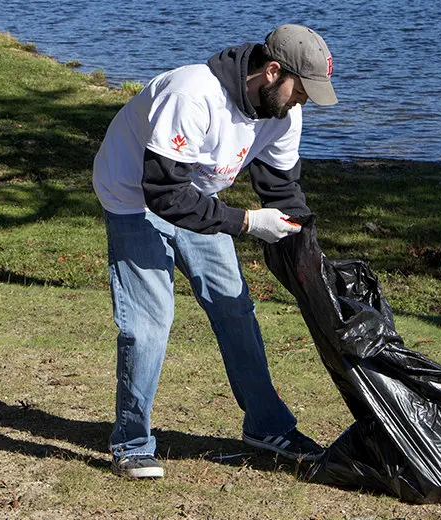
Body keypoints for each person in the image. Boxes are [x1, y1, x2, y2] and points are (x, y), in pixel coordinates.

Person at [92, 24, 338, 479]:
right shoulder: (193, 94)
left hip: (198, 197)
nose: (303, 101)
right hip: (132, 196)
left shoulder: (283, 114)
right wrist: (246, 222)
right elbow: (163, 193)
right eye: (301, 90)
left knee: (234, 307)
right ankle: (131, 442)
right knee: (149, 322)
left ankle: (266, 426)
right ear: (271, 72)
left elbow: (282, 190)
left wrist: (309, 252)